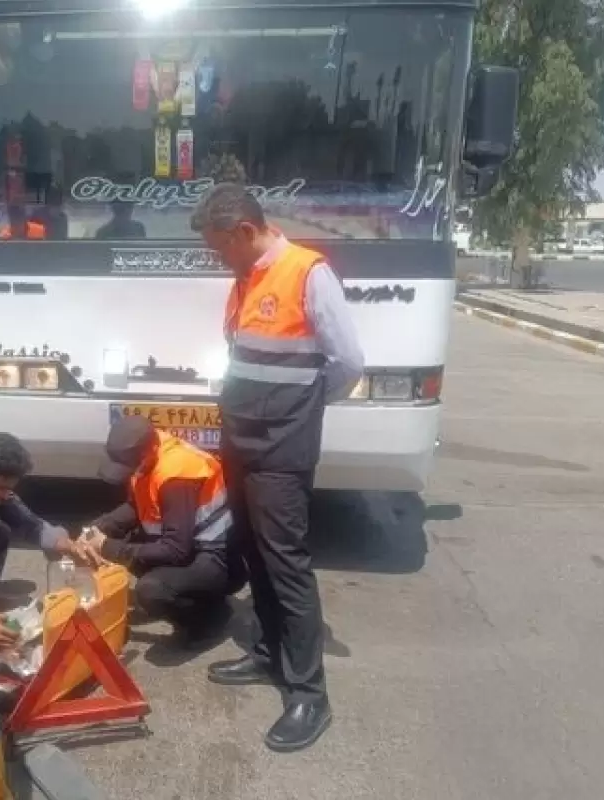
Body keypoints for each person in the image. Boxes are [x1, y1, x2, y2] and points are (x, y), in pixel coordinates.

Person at [190, 183, 363, 753]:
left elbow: (347, 365)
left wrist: (300, 411)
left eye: (220, 247)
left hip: (282, 449)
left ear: (244, 232)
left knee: (286, 564)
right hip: (240, 440)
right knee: (255, 553)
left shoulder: (308, 274)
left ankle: (310, 692)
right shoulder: (245, 278)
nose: (219, 258)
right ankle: (268, 654)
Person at [82, 416, 239, 644]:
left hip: (220, 559)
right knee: (128, 549)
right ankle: (201, 597)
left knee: (152, 590)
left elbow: (176, 550)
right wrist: (96, 530)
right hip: (192, 547)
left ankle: (209, 617)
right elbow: (138, 506)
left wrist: (109, 547)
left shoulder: (177, 474)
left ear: (150, 450)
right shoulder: (148, 455)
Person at [0, 433, 89, 651]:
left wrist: (67, 545)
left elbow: (32, 525)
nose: (6, 494)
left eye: (10, 488)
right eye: (1, 488)